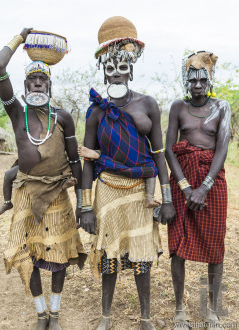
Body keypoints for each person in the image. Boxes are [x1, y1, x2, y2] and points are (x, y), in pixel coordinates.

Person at [80, 16, 175, 330]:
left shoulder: (147, 104)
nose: (116, 73)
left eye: (123, 67)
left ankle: (145, 317)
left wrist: (168, 196)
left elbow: (159, 154)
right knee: (109, 257)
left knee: (142, 257)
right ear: (103, 70)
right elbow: (88, 160)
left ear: (131, 70)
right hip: (107, 188)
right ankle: (106, 317)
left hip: (140, 192)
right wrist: (84, 207)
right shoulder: (96, 109)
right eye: (110, 68)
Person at [0, 28, 87, 330]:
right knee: (27, 254)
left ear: (49, 83)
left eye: (42, 79)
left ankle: (56, 314)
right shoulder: (17, 114)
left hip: (58, 193)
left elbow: (75, 160)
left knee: (60, 255)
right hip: (24, 193)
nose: (37, 82)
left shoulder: (62, 117)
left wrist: (83, 203)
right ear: (24, 84)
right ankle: (41, 313)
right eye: (32, 78)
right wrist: (19, 38)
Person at [165, 51, 230, 329]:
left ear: (210, 79)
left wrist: (204, 186)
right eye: (192, 80)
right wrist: (184, 186)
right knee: (177, 247)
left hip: (212, 183)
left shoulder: (222, 107)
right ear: (186, 82)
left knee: (215, 248)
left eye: (202, 79)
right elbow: (168, 148)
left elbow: (223, 147)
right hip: (182, 181)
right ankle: (180, 310)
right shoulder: (178, 107)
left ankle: (212, 311)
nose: (198, 85)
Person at [77, 146, 160, 208]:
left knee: (152, 169)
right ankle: (150, 198)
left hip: (137, 158)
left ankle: (99, 156)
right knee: (151, 169)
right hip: (114, 160)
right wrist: (86, 207)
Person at [0, 164, 77, 217]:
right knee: (8, 174)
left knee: (55, 173)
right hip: (30, 163)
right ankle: (7, 202)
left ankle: (62, 183)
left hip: (51, 163)